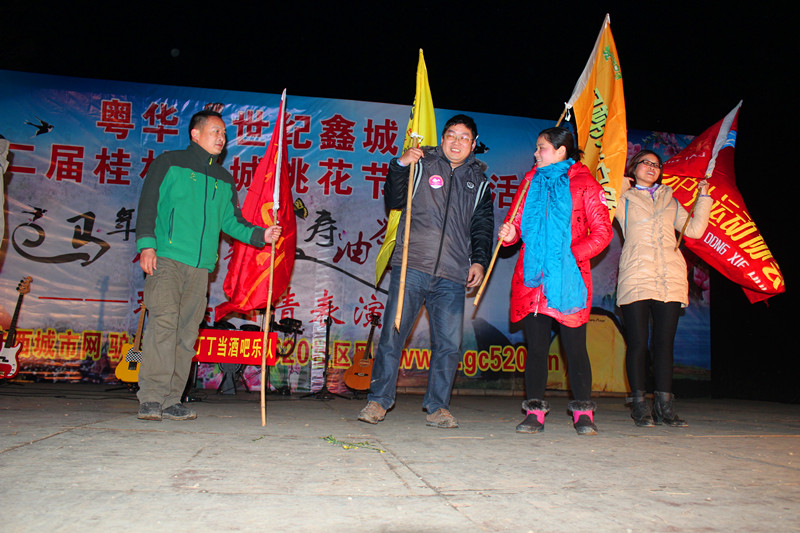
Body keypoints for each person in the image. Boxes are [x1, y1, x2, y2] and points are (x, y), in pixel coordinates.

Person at [135, 110, 281, 421]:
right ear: (195, 133)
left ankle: (173, 398)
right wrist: (146, 244)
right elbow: (148, 204)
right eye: (215, 131)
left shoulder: (223, 179)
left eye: (224, 134)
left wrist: (261, 234)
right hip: (168, 257)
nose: (221, 138)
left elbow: (233, 222)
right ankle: (151, 397)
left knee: (187, 332)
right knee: (163, 325)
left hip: (201, 267)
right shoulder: (170, 162)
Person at [358, 114, 494, 429]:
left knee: (448, 344)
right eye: (451, 135)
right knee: (393, 336)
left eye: (464, 137)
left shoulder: (481, 183)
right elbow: (393, 199)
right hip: (412, 266)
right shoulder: (420, 164)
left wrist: (479, 260)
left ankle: (438, 407)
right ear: (442, 138)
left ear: (473, 145)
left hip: (451, 273)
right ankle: (378, 401)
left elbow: (482, 227)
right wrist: (400, 164)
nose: (457, 141)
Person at [498, 127, 612, 436]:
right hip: (533, 279)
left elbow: (603, 233)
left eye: (541, 148)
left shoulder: (585, 183)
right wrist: (510, 235)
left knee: (574, 349)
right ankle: (534, 413)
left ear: (561, 151)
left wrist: (568, 256)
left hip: (568, 279)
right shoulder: (529, 181)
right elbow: (515, 225)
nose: (536, 154)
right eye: (537, 148)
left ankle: (584, 413)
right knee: (535, 348)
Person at [615, 150, 711, 427]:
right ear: (634, 168)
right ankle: (639, 406)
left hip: (670, 276)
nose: (651, 167)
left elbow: (693, 230)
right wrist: (622, 180)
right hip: (636, 275)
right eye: (645, 162)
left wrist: (703, 198)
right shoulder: (624, 198)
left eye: (656, 165)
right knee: (637, 344)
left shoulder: (670, 199)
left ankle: (664, 407)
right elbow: (605, 197)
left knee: (664, 345)